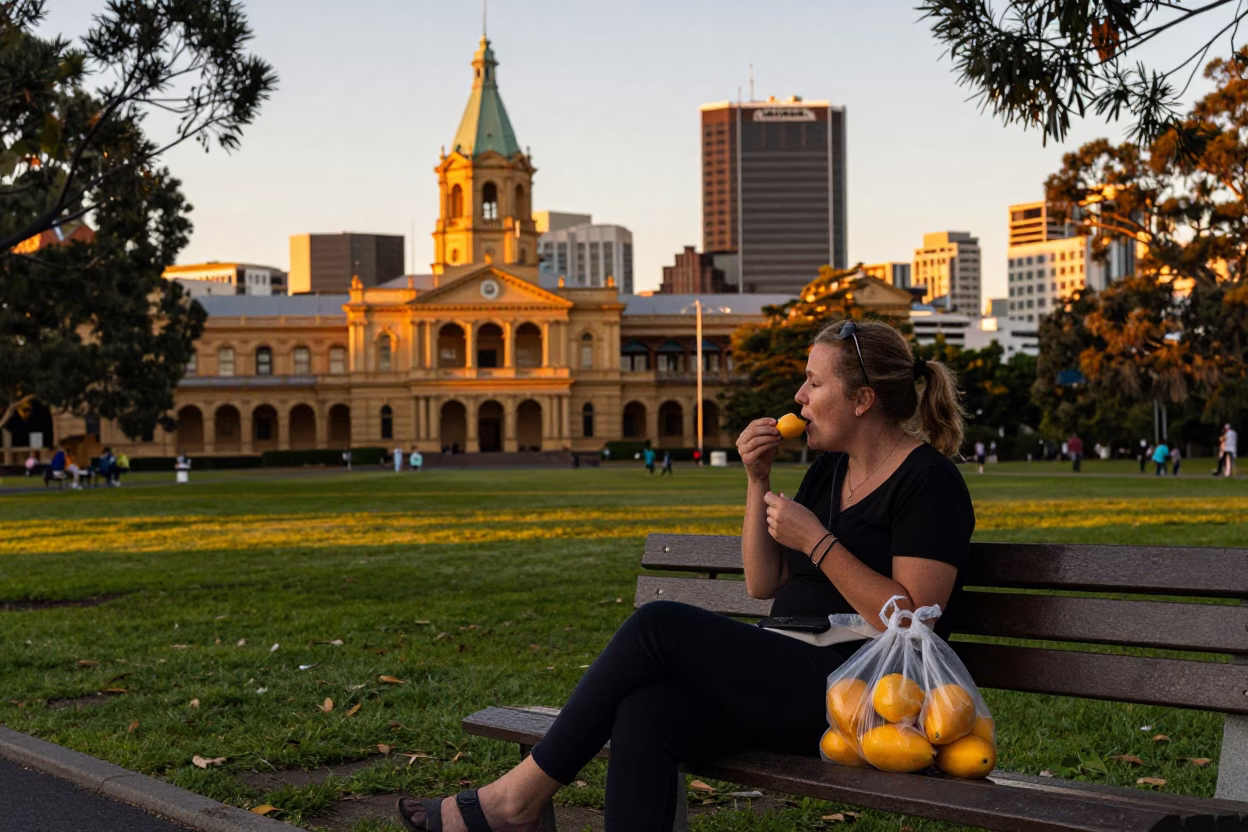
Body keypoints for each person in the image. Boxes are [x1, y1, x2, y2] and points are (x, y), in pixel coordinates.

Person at [394, 318, 974, 832]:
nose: (799, 396)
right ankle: (515, 804)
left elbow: (913, 622)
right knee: (647, 711)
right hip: (789, 668)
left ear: (863, 399)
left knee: (659, 626)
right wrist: (757, 480)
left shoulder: (928, 481)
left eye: (814, 383)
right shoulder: (829, 470)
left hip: (866, 696)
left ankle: (514, 800)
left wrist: (818, 542)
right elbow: (762, 583)